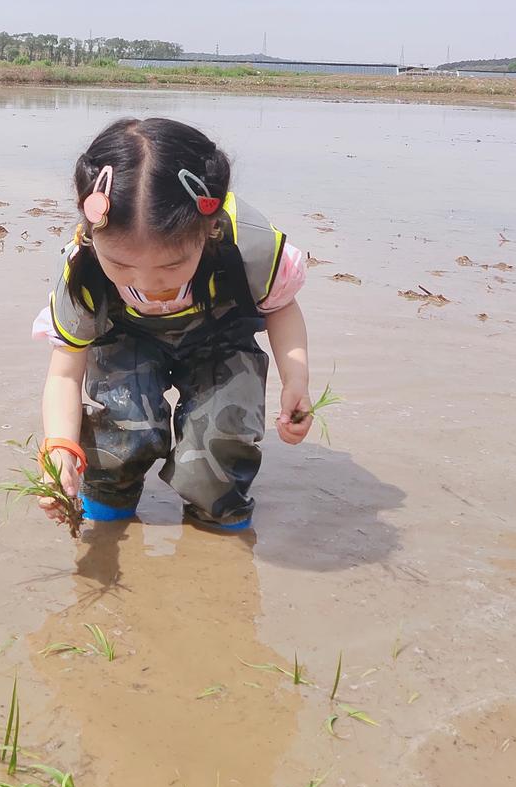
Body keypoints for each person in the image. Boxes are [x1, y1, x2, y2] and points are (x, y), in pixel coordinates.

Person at [31, 117, 312, 531]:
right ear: (92, 233)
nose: (147, 284)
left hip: (221, 339)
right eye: (121, 266)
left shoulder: (248, 248)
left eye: (171, 266)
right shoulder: (84, 271)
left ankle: (216, 519)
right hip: (126, 340)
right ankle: (107, 511)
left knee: (221, 439)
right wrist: (60, 450)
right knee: (121, 426)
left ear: (209, 229)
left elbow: (281, 308)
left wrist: (296, 379)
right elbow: (64, 375)